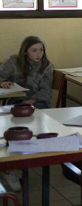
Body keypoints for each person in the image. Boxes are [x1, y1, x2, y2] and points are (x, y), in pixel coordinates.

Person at [0, 36, 54, 192]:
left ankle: (18, 164)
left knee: (25, 123)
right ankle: (11, 166)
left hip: (37, 103)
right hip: (16, 101)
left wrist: (29, 102)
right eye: (34, 50)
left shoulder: (47, 66)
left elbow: (46, 92)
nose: (39, 54)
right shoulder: (14, 62)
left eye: (41, 50)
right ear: (25, 52)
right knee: (13, 125)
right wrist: (2, 82)